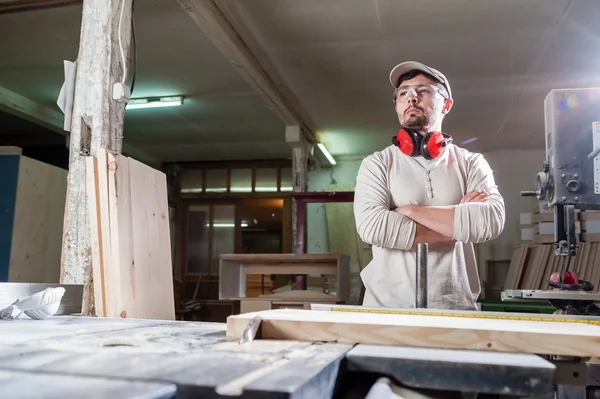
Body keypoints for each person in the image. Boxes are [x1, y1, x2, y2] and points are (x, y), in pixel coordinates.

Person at [353, 61, 505, 310]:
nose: (411, 98)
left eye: (422, 91)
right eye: (403, 93)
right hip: (387, 310)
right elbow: (374, 227)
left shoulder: (471, 163)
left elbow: (490, 221)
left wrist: (410, 211)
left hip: (455, 307)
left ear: (446, 104)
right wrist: (460, 225)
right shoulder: (377, 164)